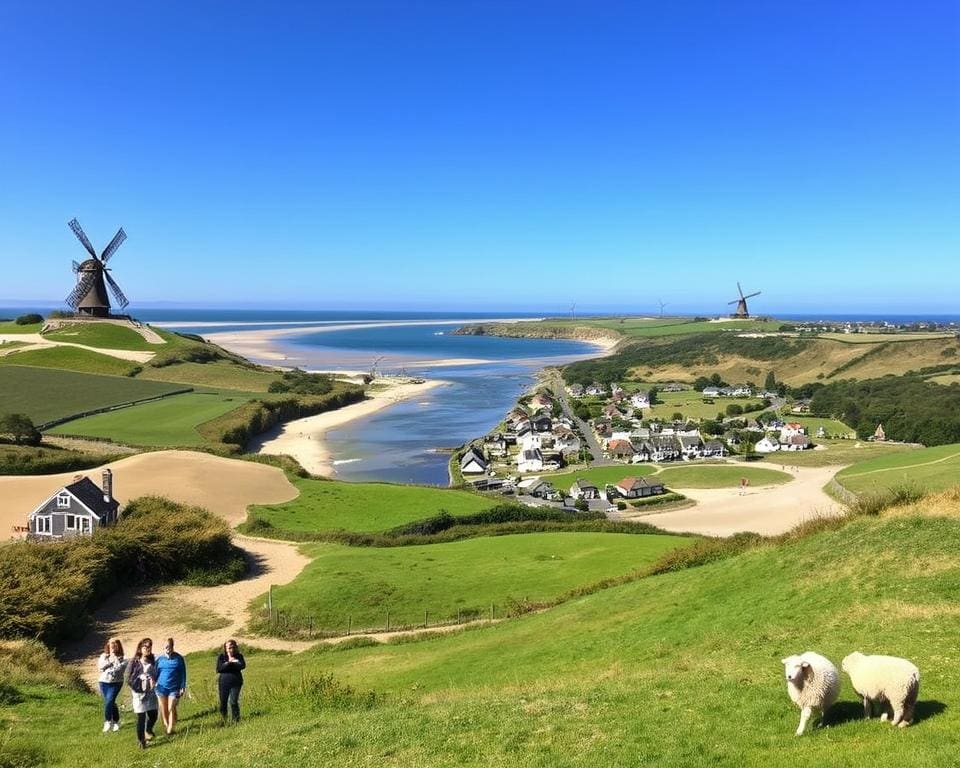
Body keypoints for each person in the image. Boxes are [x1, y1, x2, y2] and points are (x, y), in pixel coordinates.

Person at [128, 638, 159, 749]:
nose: (147, 648)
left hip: (150, 693)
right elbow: (129, 679)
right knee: (141, 718)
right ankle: (141, 741)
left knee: (154, 715)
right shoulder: (134, 662)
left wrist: (153, 680)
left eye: (149, 646)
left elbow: (157, 675)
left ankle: (149, 729)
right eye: (145, 647)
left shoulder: (154, 661)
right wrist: (140, 681)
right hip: (138, 694)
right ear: (140, 649)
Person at [156, 637, 187, 735]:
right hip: (161, 688)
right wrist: (153, 683)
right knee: (163, 708)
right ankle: (166, 724)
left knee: (171, 707)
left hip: (174, 688)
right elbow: (155, 673)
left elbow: (183, 673)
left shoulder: (179, 658)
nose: (167, 648)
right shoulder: (159, 660)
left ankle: (170, 729)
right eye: (166, 646)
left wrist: (182, 686)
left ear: (172, 646)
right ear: (163, 647)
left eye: (169, 646)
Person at [97, 637, 126, 732]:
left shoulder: (122, 658)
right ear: (108, 645)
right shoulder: (103, 656)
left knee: (109, 701)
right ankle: (116, 722)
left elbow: (118, 670)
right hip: (103, 682)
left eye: (115, 644)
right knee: (111, 702)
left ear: (118, 646)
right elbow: (101, 668)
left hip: (116, 683)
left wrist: (114, 659)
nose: (113, 645)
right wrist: (108, 663)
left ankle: (108, 721)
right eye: (111, 643)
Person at [215, 639, 247, 722]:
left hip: (236, 682)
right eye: (228, 648)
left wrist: (229, 664)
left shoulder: (239, 656)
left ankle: (236, 720)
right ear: (225, 648)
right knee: (223, 703)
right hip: (223, 683)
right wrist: (230, 663)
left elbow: (242, 666)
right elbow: (219, 669)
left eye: (232, 647)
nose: (230, 649)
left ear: (235, 647)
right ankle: (223, 720)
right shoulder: (222, 657)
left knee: (233, 702)